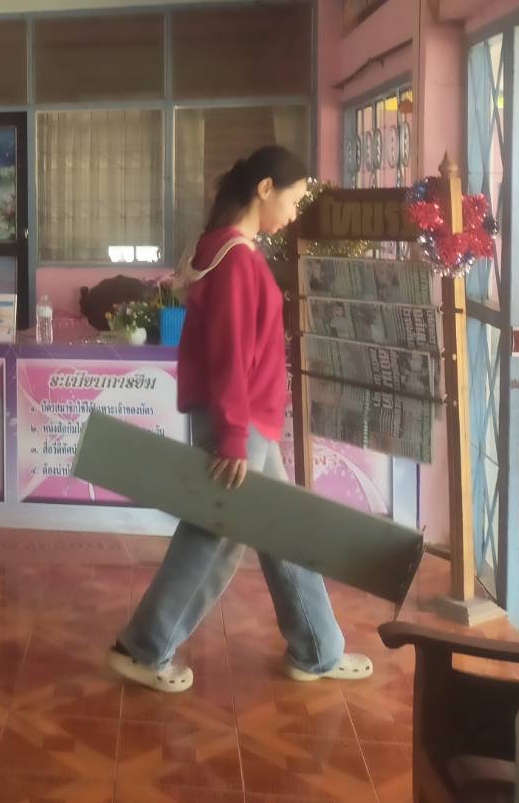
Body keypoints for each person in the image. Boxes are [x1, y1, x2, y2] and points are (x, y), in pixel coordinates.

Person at [107, 146, 374, 693]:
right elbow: (230, 356)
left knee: (281, 528)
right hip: (239, 424)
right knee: (215, 536)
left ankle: (317, 650)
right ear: (265, 189)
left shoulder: (225, 250)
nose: (295, 213)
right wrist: (232, 438)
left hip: (248, 423)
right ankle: (144, 648)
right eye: (294, 200)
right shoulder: (236, 260)